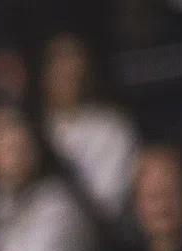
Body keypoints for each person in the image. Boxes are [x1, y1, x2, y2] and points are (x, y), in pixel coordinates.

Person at [0, 106, 100, 251]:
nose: (10, 160)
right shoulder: (3, 200)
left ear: (36, 149)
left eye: (18, 148)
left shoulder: (59, 203)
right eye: (1, 150)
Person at [40, 31, 136, 217]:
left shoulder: (112, 128)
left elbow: (108, 205)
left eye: (72, 64)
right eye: (58, 62)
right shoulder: (33, 129)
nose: (66, 71)